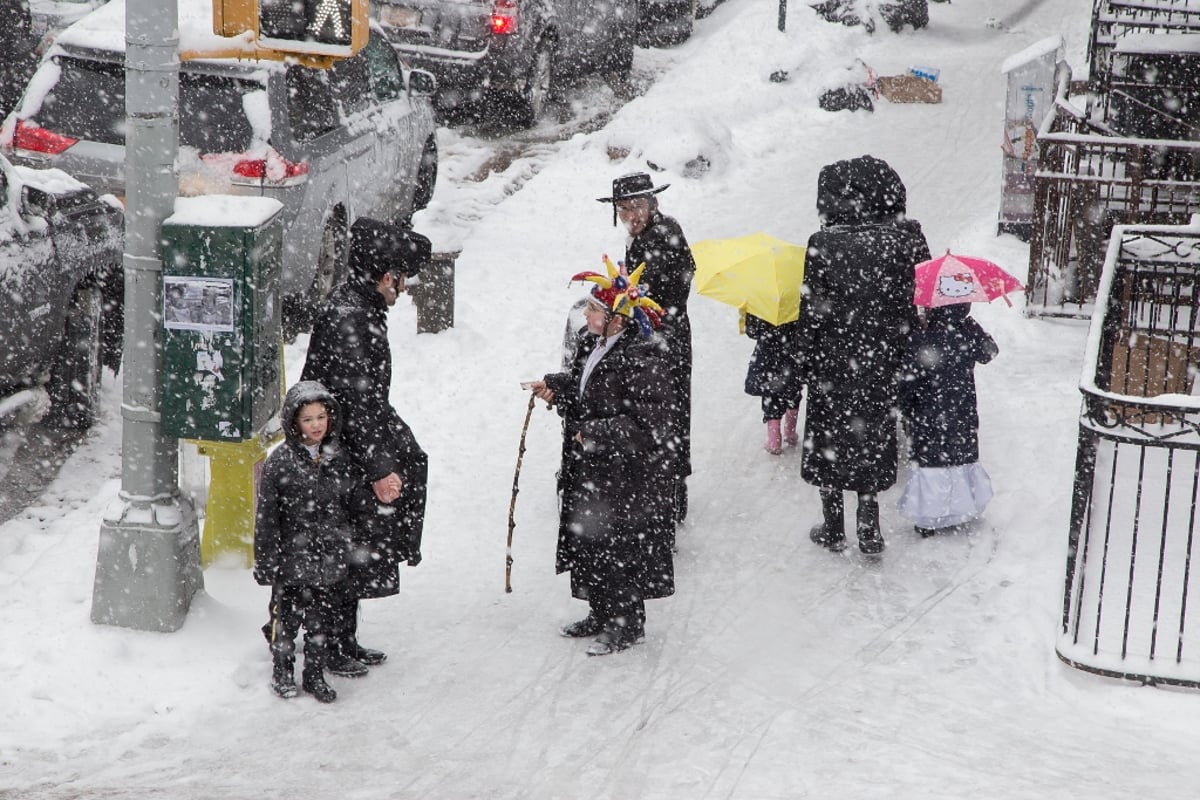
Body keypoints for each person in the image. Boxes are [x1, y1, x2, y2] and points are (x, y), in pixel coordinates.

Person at [300, 217, 431, 677]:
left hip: (344, 447)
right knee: (341, 549)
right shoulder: (353, 316)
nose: (404, 287)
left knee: (352, 546)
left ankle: (344, 639)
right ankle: (331, 645)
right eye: (401, 276)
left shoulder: (359, 307)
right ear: (384, 275)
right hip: (339, 454)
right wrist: (379, 467)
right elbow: (357, 400)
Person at [526, 263, 675, 656]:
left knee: (619, 546)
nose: (586, 315)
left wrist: (595, 432)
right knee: (591, 542)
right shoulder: (593, 344)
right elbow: (584, 390)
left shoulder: (642, 355)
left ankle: (626, 625)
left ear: (615, 319)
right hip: (592, 466)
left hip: (625, 475)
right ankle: (599, 610)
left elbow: (648, 423)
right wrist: (556, 388)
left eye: (593, 309)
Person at [795, 154, 931, 555]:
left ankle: (833, 525)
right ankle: (869, 526)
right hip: (879, 360)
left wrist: (805, 358)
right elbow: (914, 300)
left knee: (830, 439)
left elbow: (811, 310)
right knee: (871, 437)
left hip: (832, 362)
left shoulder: (822, 243)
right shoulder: (901, 240)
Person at [597, 171, 695, 524]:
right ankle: (669, 491)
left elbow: (656, 294)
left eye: (636, 206)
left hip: (665, 340)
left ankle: (670, 495)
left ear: (653, 203)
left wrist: (626, 303)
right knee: (663, 413)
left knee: (665, 414)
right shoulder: (650, 234)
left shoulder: (662, 236)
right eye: (623, 210)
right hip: (659, 337)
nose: (630, 216)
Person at [253, 381, 359, 703]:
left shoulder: (337, 457)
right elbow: (267, 517)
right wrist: (267, 560)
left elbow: (346, 507)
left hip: (326, 562)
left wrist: (343, 546)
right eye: (308, 419)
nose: (316, 425)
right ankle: (282, 672)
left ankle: (314, 675)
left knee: (320, 624)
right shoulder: (281, 461)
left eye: (321, 417)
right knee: (286, 622)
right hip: (291, 561)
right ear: (294, 422)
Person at [898, 303, 999, 536]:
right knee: (959, 457)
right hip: (962, 409)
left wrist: (905, 405)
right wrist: (973, 327)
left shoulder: (922, 336)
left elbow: (908, 379)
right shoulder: (966, 331)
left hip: (928, 413)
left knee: (932, 463)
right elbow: (989, 352)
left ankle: (929, 517)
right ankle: (962, 509)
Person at [743, 312, 804, 455]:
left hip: (767, 356)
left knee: (771, 395)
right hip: (792, 355)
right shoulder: (796, 300)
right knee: (793, 391)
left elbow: (752, 332)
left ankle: (774, 440)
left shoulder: (760, 301)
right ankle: (790, 432)